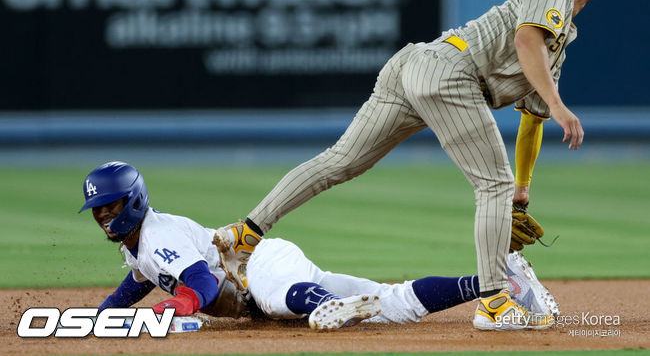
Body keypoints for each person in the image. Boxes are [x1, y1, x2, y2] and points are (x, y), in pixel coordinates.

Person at [215, 0, 608, 330]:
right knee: (493, 185)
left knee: (340, 161)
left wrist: (522, 187)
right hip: (451, 73)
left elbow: (532, 118)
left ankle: (246, 233)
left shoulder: (558, 39)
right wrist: (559, 108)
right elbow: (526, 39)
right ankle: (494, 303)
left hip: (416, 66)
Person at [81, 161, 558, 331]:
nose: (104, 217)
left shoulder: (158, 234)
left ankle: (332, 307)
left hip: (260, 263)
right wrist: (106, 311)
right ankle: (497, 281)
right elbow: (138, 280)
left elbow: (202, 281)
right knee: (395, 303)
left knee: (273, 299)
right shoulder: (138, 243)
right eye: (99, 211)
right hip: (259, 272)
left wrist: (181, 305)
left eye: (109, 207)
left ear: (135, 200)